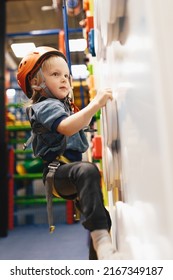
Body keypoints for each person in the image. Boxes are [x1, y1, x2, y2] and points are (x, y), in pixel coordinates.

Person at [17, 46, 118, 260]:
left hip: (70, 172)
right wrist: (95, 104)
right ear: (36, 84)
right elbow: (66, 127)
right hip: (57, 174)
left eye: (66, 75)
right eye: (55, 75)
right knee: (86, 171)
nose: (64, 80)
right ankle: (101, 242)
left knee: (103, 217)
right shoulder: (43, 107)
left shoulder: (63, 106)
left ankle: (100, 259)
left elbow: (78, 129)